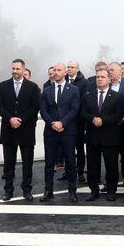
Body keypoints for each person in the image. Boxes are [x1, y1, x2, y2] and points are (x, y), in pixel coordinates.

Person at [0, 59, 40, 201]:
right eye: (13, 68)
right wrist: (10, 119)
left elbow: (35, 107)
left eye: (17, 69)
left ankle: (27, 190)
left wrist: (20, 119)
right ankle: (8, 191)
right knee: (9, 164)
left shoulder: (33, 87)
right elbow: (0, 106)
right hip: (8, 130)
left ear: (23, 69)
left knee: (28, 163)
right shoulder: (3, 85)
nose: (15, 71)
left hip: (26, 130)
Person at [39, 63, 81, 202]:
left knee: (70, 162)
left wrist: (62, 123)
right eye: (54, 70)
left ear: (65, 72)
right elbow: (43, 110)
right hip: (51, 131)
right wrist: (53, 123)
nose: (56, 72)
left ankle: (72, 191)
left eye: (59, 70)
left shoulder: (74, 89)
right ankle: (48, 190)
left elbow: (75, 110)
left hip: (68, 131)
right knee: (49, 163)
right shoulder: (46, 90)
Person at [81, 68, 122, 202]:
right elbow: (82, 113)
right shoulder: (88, 96)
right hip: (93, 137)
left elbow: (118, 115)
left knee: (111, 166)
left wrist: (103, 120)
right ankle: (94, 190)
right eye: (98, 77)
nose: (99, 79)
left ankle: (111, 190)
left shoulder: (116, 97)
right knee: (92, 166)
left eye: (102, 77)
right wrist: (92, 119)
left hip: (110, 137)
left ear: (109, 79)